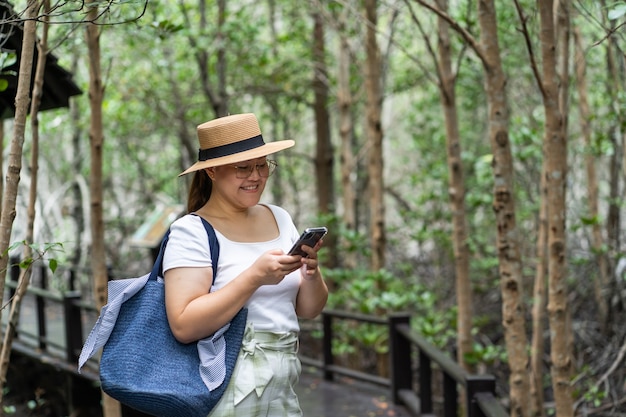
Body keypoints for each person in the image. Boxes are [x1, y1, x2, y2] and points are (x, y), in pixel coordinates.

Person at [162, 113, 328, 416]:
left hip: (284, 381)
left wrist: (312, 273)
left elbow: (308, 310)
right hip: (225, 382)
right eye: (243, 168)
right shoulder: (192, 231)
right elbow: (183, 324)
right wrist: (254, 277)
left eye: (262, 165)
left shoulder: (279, 217)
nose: (256, 176)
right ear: (211, 171)